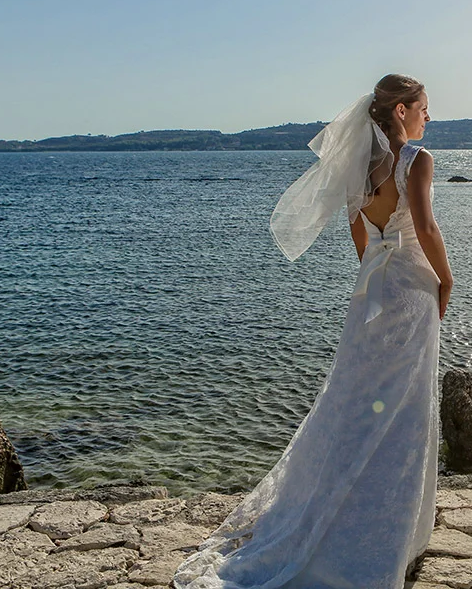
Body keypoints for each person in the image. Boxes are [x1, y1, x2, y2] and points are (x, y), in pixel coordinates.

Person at [174, 74, 452, 589]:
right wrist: (447, 280)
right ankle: (393, 531)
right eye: (423, 108)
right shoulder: (419, 162)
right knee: (405, 410)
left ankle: (336, 508)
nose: (427, 117)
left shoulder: (359, 168)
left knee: (352, 403)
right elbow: (428, 228)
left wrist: (374, 268)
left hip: (371, 293)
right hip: (412, 292)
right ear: (400, 112)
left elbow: (357, 228)